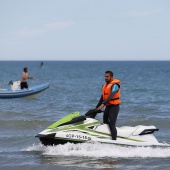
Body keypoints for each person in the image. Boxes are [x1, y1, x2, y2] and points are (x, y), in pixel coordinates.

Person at [96, 70, 121, 140]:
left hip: (114, 107)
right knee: (105, 123)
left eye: (107, 76)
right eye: (105, 76)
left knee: (112, 125)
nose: (106, 78)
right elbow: (102, 97)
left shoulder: (115, 85)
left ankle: (114, 140)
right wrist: (96, 108)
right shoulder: (104, 86)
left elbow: (111, 96)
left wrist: (103, 104)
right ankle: (107, 138)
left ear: (111, 77)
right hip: (108, 107)